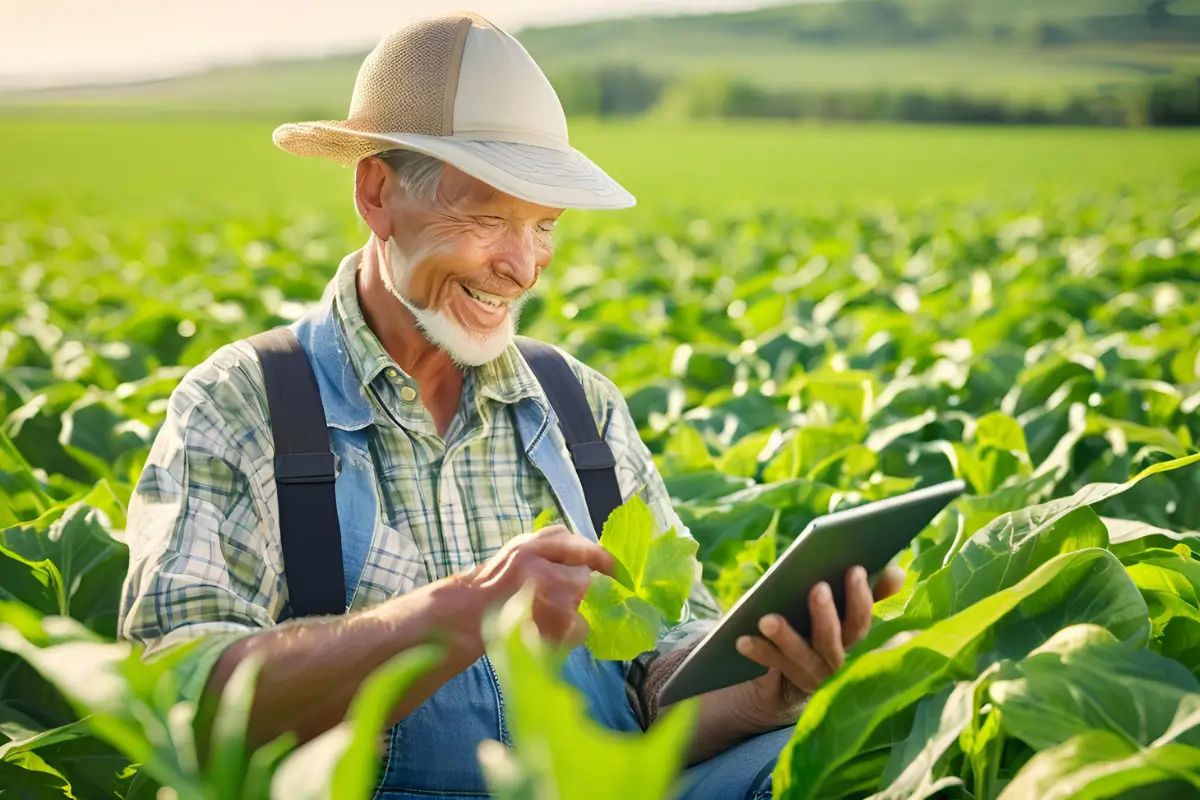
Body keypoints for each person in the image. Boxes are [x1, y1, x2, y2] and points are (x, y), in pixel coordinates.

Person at [117, 12, 903, 799]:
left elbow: (657, 686)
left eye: (545, 227)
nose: (522, 267)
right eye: (488, 218)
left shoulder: (578, 404)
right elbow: (177, 687)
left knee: (829, 755)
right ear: (377, 193)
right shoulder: (246, 401)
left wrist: (768, 689)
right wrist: (454, 618)